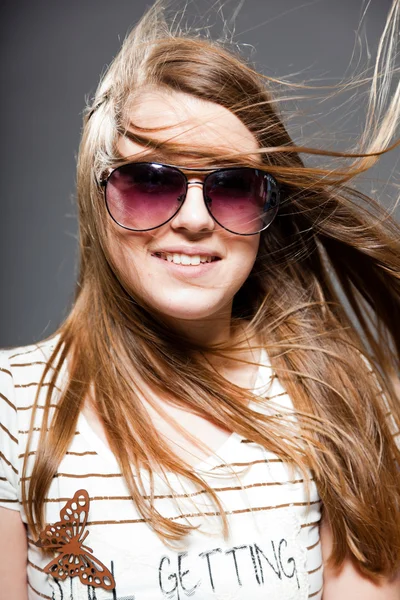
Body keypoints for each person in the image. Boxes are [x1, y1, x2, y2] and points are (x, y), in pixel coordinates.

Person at [1, 1, 400, 598]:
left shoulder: (340, 398)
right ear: (96, 198)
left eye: (233, 187)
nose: (193, 220)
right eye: (149, 181)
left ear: (266, 212)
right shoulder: (13, 408)